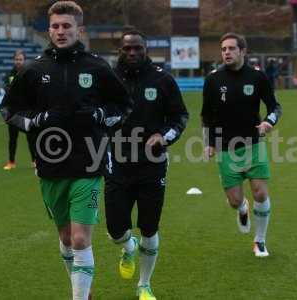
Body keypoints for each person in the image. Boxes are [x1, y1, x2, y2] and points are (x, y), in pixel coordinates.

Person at [0, 1, 132, 299]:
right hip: (50, 164)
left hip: (89, 162)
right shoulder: (34, 69)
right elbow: (8, 110)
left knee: (81, 239)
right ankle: (82, 288)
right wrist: (35, 122)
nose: (61, 31)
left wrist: (100, 115)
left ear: (79, 29)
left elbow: (124, 107)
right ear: (49, 30)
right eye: (56, 26)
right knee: (66, 238)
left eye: (67, 26)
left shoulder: (97, 67)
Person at [104, 29, 188, 300]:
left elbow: (180, 117)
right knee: (115, 231)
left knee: (149, 228)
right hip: (116, 161)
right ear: (120, 50)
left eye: (137, 48)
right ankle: (128, 247)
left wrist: (163, 136)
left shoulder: (163, 80)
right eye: (127, 48)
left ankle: (144, 284)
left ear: (145, 49)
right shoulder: (108, 79)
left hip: (152, 164)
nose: (132, 53)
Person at [201, 32, 282, 257]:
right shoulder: (213, 79)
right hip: (225, 147)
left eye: (231, 48)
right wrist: (209, 142)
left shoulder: (258, 77)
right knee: (235, 201)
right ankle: (242, 208)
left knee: (260, 193)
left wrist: (268, 122)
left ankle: (260, 241)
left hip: (253, 144)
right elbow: (206, 115)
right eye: (223, 49)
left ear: (243, 51)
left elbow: (275, 107)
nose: (226, 52)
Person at [3, 50, 37, 170]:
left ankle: (34, 161)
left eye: (20, 59)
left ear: (24, 60)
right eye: (16, 59)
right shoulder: (9, 75)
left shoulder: (29, 73)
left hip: (27, 112)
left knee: (31, 137)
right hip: (12, 112)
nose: (18, 62)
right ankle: (11, 162)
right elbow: (7, 90)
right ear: (14, 60)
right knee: (13, 138)